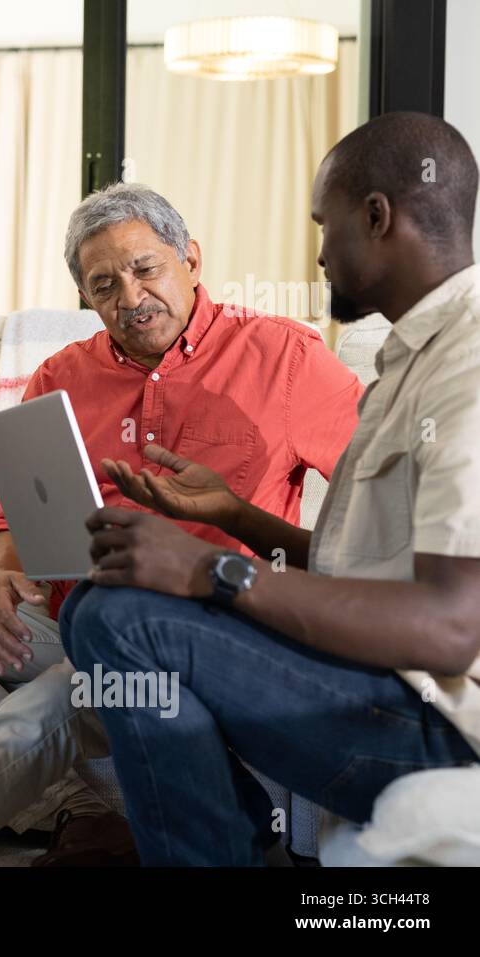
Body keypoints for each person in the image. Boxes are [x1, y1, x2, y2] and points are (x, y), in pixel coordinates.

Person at [0, 183, 362, 865]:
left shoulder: (284, 356)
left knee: (51, 705)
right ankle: (82, 806)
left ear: (191, 259)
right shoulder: (59, 375)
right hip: (75, 612)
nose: (130, 297)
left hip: (209, 632)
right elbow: (20, 509)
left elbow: (380, 497)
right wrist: (2, 561)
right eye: (104, 285)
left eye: (146, 269)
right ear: (86, 298)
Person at [63, 111, 480, 865]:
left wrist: (210, 568)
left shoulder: (468, 366)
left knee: (120, 618)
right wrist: (234, 514)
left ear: (376, 217)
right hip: (384, 678)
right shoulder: (410, 361)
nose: (318, 254)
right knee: (101, 604)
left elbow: (453, 627)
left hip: (439, 724)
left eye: (325, 225)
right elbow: (367, 573)